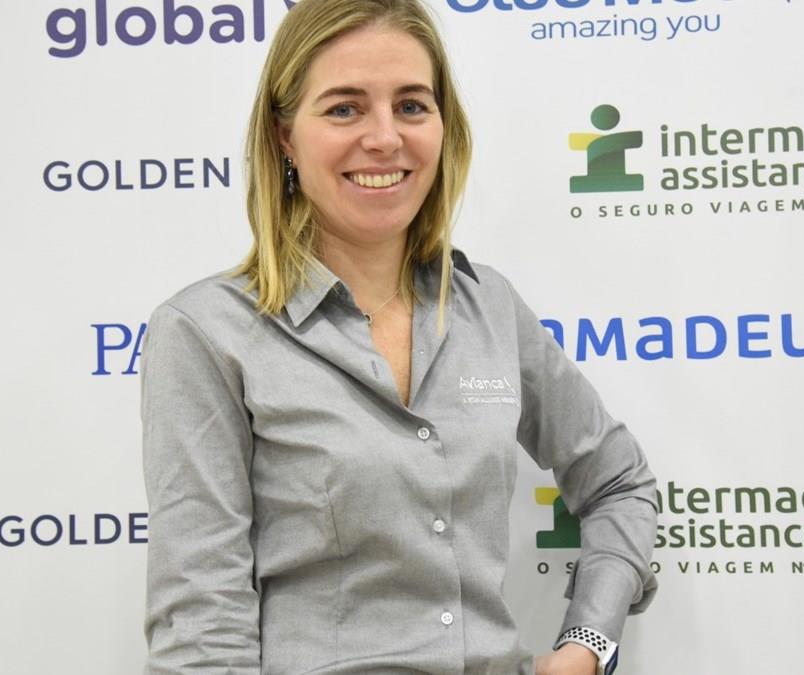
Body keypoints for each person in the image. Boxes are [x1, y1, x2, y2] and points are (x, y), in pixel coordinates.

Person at [140, 0, 658, 673]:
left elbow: (619, 480)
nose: (385, 138)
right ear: (285, 137)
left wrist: (588, 643)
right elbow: (203, 632)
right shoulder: (208, 333)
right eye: (345, 109)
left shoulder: (489, 307)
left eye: (412, 106)